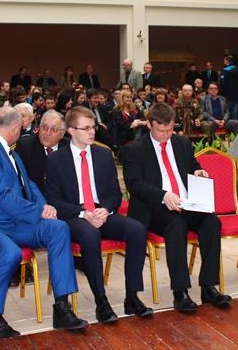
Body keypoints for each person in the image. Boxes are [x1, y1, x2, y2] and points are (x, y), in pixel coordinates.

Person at [0, 106, 86, 337]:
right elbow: (1, 195)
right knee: (10, 253)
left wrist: (45, 206)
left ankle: (62, 307)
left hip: (10, 221)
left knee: (58, 229)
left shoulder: (10, 152)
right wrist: (37, 211)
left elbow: (29, 185)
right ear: (15, 127)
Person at [120, 103, 231, 313]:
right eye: (161, 130)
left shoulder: (181, 143)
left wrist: (198, 172)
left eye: (170, 129)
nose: (166, 135)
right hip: (155, 207)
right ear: (149, 124)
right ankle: (180, 292)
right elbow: (135, 185)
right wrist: (163, 195)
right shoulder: (134, 149)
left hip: (185, 203)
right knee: (176, 224)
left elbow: (193, 166)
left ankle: (208, 287)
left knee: (211, 222)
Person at [46, 107, 152, 323]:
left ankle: (132, 297)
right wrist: (84, 213)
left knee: (137, 230)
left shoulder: (103, 154)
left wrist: (106, 209)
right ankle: (101, 302)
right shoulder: (56, 159)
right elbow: (54, 201)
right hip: (75, 216)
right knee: (90, 235)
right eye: (86, 128)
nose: (92, 132)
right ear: (71, 131)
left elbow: (115, 192)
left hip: (101, 212)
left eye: (93, 127)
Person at [17, 110, 67, 195]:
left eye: (54, 129)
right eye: (44, 127)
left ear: (62, 133)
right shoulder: (25, 146)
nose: (47, 133)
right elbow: (21, 181)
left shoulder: (68, 148)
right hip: (35, 197)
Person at [219, 55, 238, 121]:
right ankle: (235, 127)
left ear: (227, 61)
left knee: (226, 114)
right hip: (237, 96)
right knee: (235, 114)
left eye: (224, 60)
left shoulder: (225, 71)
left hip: (227, 96)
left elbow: (222, 83)